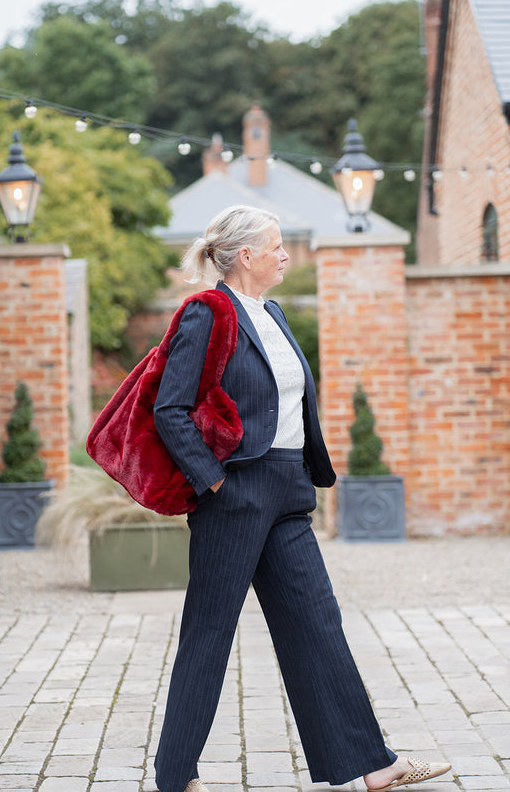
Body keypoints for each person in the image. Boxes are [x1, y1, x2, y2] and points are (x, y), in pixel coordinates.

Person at [152, 205, 451, 792]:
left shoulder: (274, 313)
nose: (286, 254)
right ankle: (175, 776)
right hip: (235, 493)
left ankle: (373, 764)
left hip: (289, 491)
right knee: (210, 632)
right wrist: (215, 481)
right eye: (277, 246)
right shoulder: (208, 315)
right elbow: (171, 409)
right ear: (245, 256)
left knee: (318, 621)